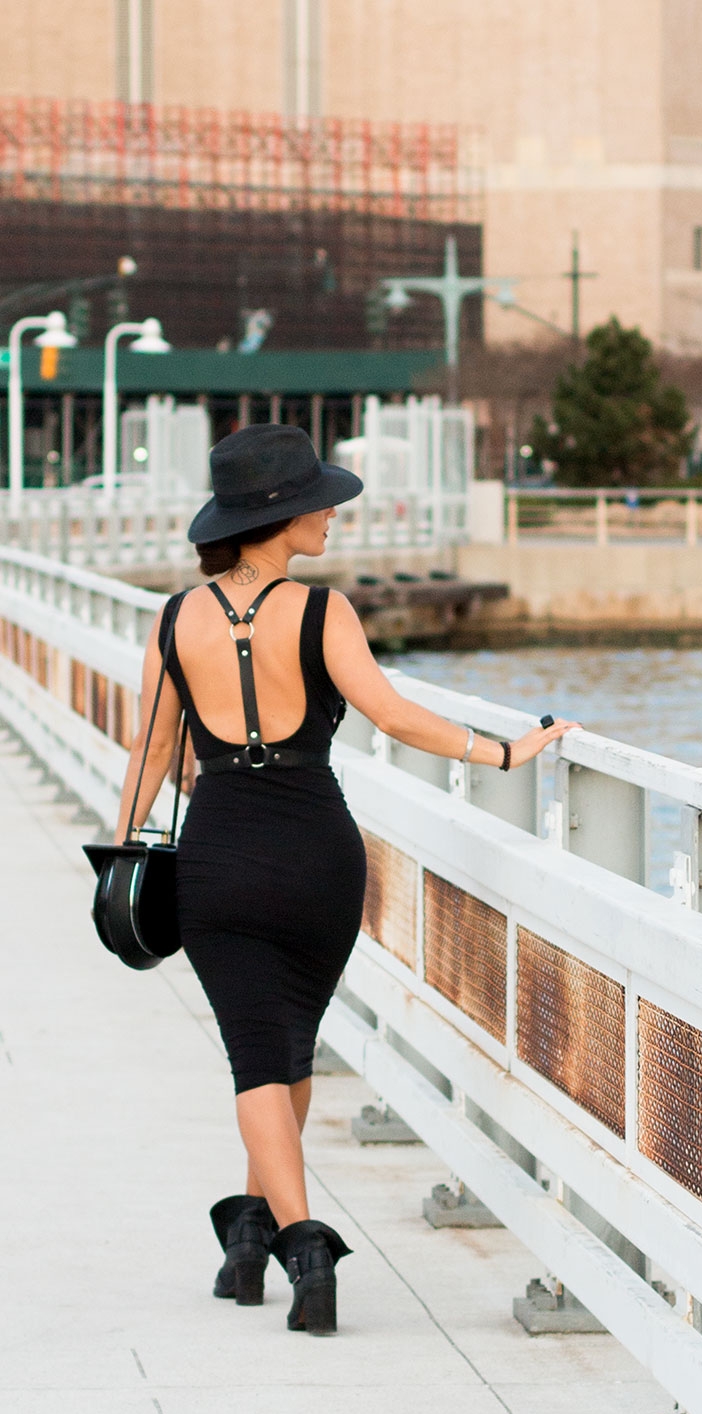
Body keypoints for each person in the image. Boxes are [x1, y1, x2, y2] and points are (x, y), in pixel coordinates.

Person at [112, 423, 578, 1336]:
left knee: (260, 1052)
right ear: (280, 516)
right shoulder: (322, 614)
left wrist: (133, 851)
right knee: (288, 1048)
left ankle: (256, 1241)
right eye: (319, 503)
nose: (332, 515)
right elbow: (395, 716)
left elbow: (153, 758)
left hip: (219, 857)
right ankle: (300, 1237)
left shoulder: (176, 620)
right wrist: (507, 751)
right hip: (319, 857)